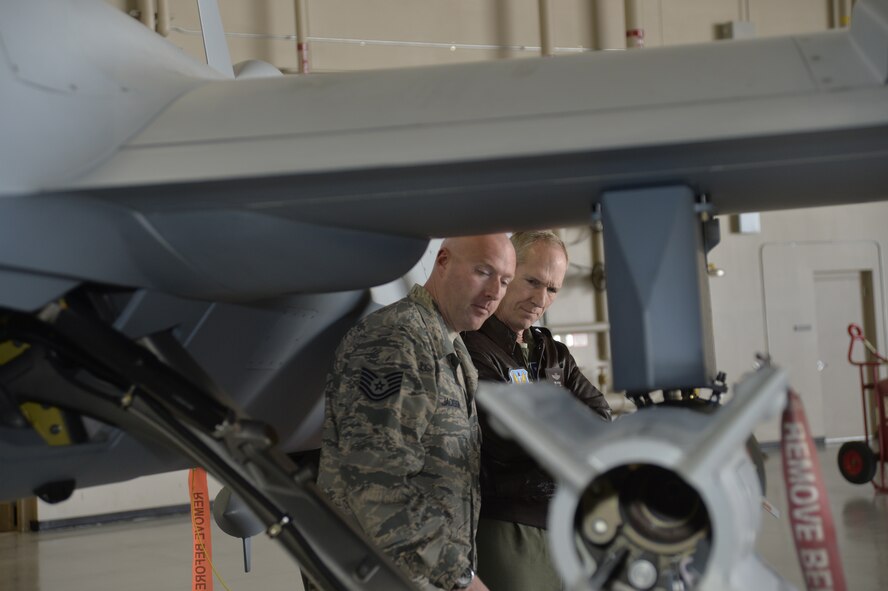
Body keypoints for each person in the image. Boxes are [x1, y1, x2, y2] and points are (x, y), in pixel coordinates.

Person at [317, 234, 516, 591]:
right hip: (379, 575)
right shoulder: (396, 339)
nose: (494, 292)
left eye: (505, 281)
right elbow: (376, 483)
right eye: (483, 272)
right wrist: (459, 577)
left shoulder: (451, 346)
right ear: (442, 261)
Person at [462, 230, 611, 591]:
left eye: (552, 289)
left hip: (565, 522)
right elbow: (509, 440)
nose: (540, 299)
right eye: (532, 282)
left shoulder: (552, 351)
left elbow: (601, 416)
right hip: (509, 524)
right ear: (507, 273)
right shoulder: (472, 346)